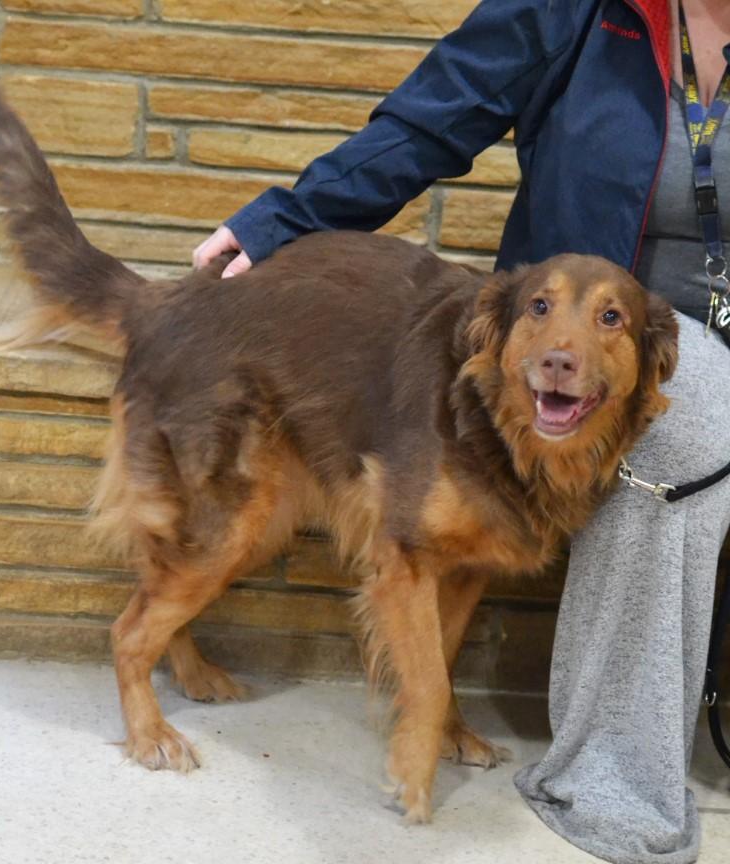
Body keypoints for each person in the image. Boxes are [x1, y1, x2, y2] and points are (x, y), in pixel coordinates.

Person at [192, 1, 730, 862]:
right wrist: (283, 220)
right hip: (614, 344)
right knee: (693, 423)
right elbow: (436, 113)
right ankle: (618, 776)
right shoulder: (576, 9)